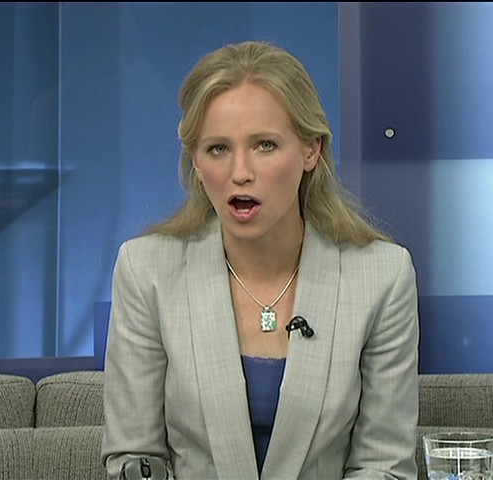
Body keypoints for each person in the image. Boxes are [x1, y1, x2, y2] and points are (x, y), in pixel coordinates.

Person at [101, 40, 419, 479]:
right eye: (218, 149)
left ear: (311, 150)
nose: (240, 172)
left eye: (265, 145)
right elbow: (134, 457)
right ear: (196, 163)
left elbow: (383, 465)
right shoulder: (146, 272)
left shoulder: (381, 278)